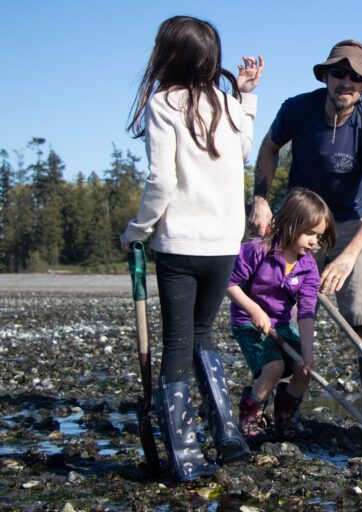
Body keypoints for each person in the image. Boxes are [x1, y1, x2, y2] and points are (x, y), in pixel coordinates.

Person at [120, 15, 264, 482]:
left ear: (168, 56)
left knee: (179, 342)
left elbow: (161, 180)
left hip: (180, 244)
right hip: (224, 243)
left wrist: (137, 231)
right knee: (202, 334)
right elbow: (243, 150)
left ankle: (184, 453)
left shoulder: (163, 103)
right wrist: (244, 96)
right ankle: (226, 433)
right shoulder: (225, 102)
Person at [248, 40, 362, 427]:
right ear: (325, 76)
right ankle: (273, 400)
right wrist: (261, 198)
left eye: (356, 77)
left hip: (354, 223)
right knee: (276, 307)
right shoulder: (297, 109)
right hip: (300, 218)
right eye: (339, 73)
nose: (346, 82)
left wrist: (348, 257)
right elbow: (268, 148)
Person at [227, 188, 336, 441]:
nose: (314, 242)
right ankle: (250, 416)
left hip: (284, 324)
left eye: (318, 237)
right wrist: (254, 310)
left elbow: (307, 312)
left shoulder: (308, 266)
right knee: (274, 366)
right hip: (249, 323)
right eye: (309, 233)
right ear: (290, 223)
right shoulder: (257, 250)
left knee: (303, 370)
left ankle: (284, 416)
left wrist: (307, 353)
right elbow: (229, 283)